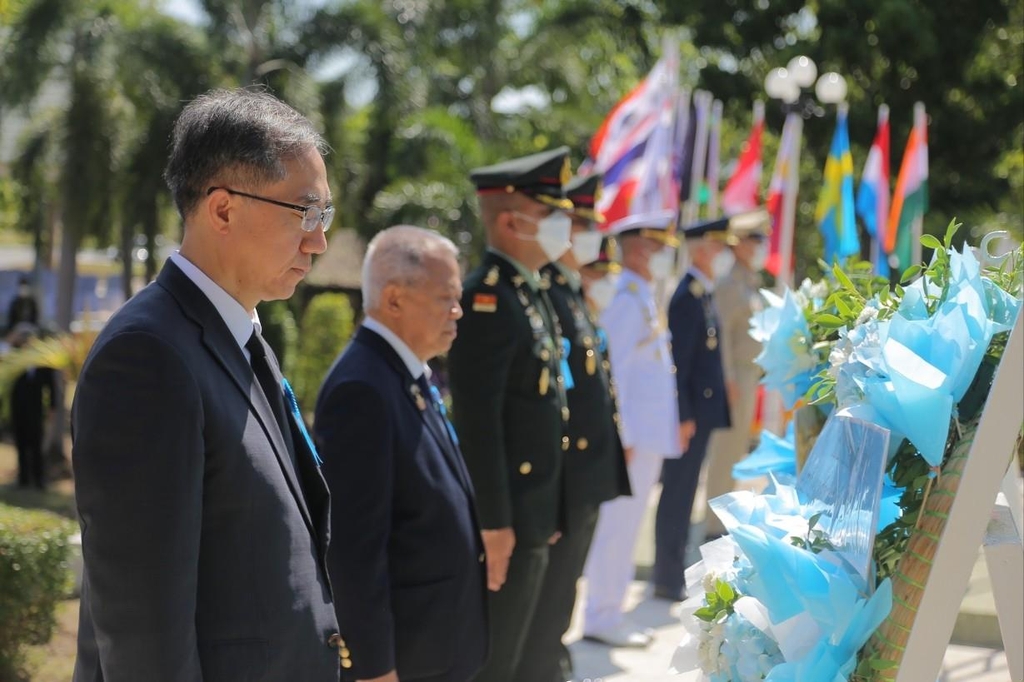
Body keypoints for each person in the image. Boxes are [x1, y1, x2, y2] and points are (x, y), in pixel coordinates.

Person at [71, 88, 341, 681]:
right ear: (222, 209)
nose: (318, 241)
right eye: (306, 212)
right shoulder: (148, 357)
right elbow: (143, 629)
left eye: (325, 215)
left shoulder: (238, 335)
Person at [314, 226, 488, 682]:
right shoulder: (362, 388)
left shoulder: (406, 373)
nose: (458, 310)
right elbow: (353, 550)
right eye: (445, 297)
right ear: (393, 299)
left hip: (435, 646)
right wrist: (373, 667)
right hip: (406, 662)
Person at [447, 147, 573, 682]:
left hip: (534, 509)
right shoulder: (488, 299)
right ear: (510, 221)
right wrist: (494, 522)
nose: (563, 227)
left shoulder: (529, 293)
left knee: (520, 652)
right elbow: (479, 422)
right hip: (509, 516)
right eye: (550, 215)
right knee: (495, 661)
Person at [516, 174, 631, 682]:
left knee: (564, 591)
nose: (586, 233)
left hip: (585, 472)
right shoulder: (549, 295)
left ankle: (551, 664)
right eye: (577, 222)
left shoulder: (571, 293)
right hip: (564, 474)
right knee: (547, 598)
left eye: (587, 223)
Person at [581, 210, 681, 648]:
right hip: (633, 440)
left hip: (646, 436)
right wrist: (620, 437)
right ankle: (601, 614)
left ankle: (611, 611)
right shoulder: (625, 299)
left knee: (628, 524)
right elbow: (613, 372)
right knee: (617, 528)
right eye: (658, 247)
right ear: (639, 248)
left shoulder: (642, 295)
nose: (664, 256)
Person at [652, 216, 733, 602]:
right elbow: (679, 364)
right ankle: (666, 576)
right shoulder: (687, 295)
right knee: (678, 493)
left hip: (700, 414)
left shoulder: (701, 292)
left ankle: (673, 571)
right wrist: (682, 415)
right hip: (689, 416)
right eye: (718, 247)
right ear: (701, 247)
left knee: (686, 494)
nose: (722, 255)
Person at [704, 211, 770, 538]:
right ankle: (713, 523)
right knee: (725, 452)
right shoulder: (730, 284)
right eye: (755, 240)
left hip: (748, 376)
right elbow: (723, 337)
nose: (761, 247)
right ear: (740, 244)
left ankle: (721, 515)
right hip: (736, 379)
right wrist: (726, 379)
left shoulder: (747, 280)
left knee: (736, 449)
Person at [8, 323, 58, 490]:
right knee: (21, 444)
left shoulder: (42, 360)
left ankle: (39, 480)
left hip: (36, 409)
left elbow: (50, 385)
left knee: (36, 444)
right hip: (17, 408)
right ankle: (23, 479)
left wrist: (52, 407)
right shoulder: (13, 359)